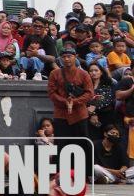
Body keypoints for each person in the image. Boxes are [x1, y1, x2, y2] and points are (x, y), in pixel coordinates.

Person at [48, 47, 94, 176]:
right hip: (61, 113)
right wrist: (64, 101)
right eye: (64, 57)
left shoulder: (84, 74)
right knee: (61, 144)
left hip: (79, 114)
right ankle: (60, 173)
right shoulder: (55, 74)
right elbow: (51, 93)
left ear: (75, 57)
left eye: (69, 56)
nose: (67, 59)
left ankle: (85, 174)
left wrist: (75, 101)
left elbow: (89, 93)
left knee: (82, 143)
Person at [87, 62, 116, 139]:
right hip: (90, 117)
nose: (93, 73)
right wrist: (92, 114)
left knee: (108, 138)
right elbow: (84, 100)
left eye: (96, 70)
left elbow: (107, 100)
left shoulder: (108, 84)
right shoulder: (85, 86)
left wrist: (93, 108)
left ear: (101, 72)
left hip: (106, 115)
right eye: (91, 71)